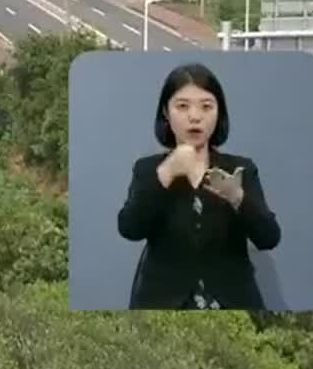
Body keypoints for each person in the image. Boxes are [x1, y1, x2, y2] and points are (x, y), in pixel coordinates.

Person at [116, 62, 280, 309]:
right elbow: (130, 228)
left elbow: (269, 238)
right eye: (182, 106)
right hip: (163, 306)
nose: (195, 116)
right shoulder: (149, 170)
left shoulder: (240, 169)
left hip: (232, 307)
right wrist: (167, 172)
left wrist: (237, 198)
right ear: (165, 112)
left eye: (206, 106)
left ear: (219, 113)